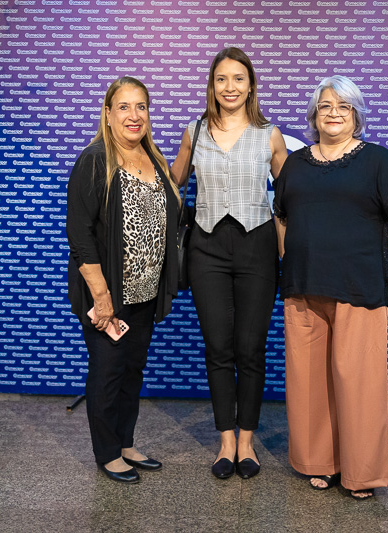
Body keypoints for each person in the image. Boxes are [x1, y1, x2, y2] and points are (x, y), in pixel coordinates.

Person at [273, 75, 388, 499]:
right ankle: (321, 463)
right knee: (310, 383)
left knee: (358, 383)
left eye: (343, 106)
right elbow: (280, 215)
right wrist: (291, 260)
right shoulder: (296, 164)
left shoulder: (376, 160)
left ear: (356, 115)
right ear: (313, 116)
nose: (333, 113)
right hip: (303, 288)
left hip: (359, 287)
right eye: (325, 106)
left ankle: (361, 474)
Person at [170, 47, 288, 479]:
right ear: (212, 86)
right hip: (207, 249)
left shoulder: (269, 135)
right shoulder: (194, 131)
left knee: (250, 349)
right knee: (219, 348)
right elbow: (174, 180)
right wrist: (124, 154)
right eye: (222, 79)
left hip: (257, 247)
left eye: (239, 79)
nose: (230, 87)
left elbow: (293, 194)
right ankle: (225, 442)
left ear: (251, 85)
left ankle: (247, 442)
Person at [66, 76, 180, 484]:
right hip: (108, 294)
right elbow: (80, 236)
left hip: (145, 293)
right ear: (109, 115)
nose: (135, 115)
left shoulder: (155, 160)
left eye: (142, 107)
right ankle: (107, 452)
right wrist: (101, 295)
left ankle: (126, 442)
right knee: (108, 371)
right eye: (125, 107)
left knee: (132, 371)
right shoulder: (95, 160)